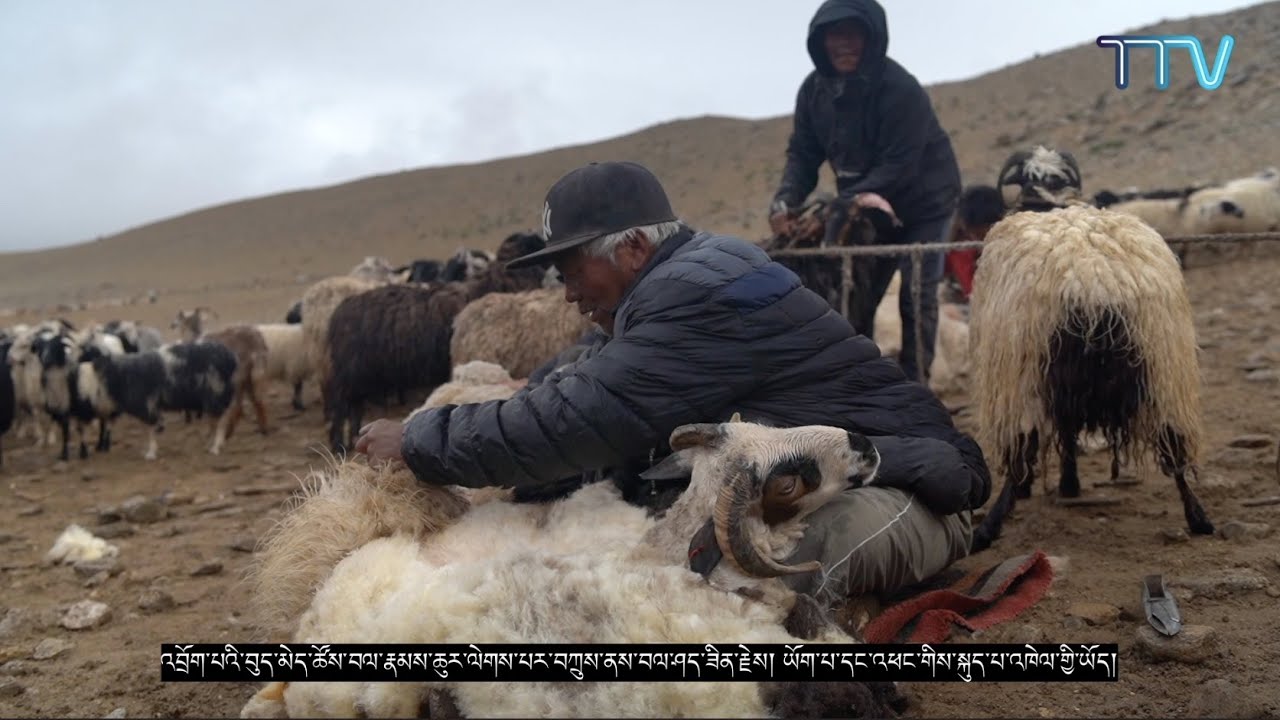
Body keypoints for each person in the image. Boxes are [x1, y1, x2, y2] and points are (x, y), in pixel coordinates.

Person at [356, 160, 990, 606]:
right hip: (826, 475)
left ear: (632, 247)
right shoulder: (677, 280)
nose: (568, 294)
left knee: (735, 588)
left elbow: (583, 417)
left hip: (907, 487)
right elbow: (593, 366)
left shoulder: (698, 293)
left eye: (574, 271)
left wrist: (418, 440)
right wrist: (531, 386)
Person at [768, 0, 962, 384]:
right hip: (865, 206)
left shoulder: (901, 89)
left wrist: (837, 207)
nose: (844, 44)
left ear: (871, 38)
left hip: (924, 202)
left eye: (853, 34)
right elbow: (803, 155)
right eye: (834, 35)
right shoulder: (813, 92)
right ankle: (860, 385)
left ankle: (916, 389)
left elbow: (900, 164)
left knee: (915, 293)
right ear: (820, 41)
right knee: (857, 292)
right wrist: (785, 201)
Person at [941, 185, 1005, 305]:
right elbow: (970, 291)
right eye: (975, 235)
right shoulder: (960, 247)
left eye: (984, 235)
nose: (979, 240)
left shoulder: (1008, 245)